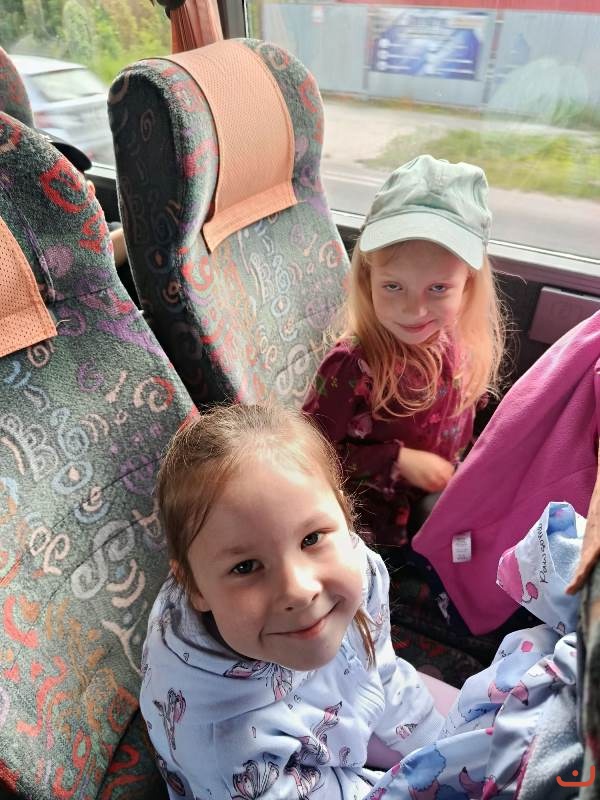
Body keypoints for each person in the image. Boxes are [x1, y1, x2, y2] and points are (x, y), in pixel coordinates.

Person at [139, 403, 445, 799]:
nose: (299, 590)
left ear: (344, 513)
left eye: (311, 539)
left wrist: (445, 749)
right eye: (246, 567)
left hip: (343, 707)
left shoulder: (357, 568)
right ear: (196, 588)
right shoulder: (226, 747)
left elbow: (382, 669)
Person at [303, 154, 505, 551]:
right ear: (368, 278)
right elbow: (309, 454)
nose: (414, 310)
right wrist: (397, 462)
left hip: (439, 496)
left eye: (438, 288)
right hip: (374, 529)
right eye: (393, 286)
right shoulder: (351, 365)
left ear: (468, 283)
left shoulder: (456, 339)